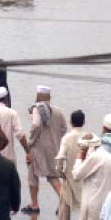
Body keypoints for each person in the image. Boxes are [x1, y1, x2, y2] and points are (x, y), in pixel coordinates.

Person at [23, 85, 67, 213]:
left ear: (37, 96)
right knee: (52, 176)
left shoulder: (37, 109)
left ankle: (34, 204)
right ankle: (64, 201)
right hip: (55, 148)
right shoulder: (58, 110)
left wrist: (30, 141)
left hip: (38, 149)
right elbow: (64, 128)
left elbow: (36, 125)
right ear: (49, 97)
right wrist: (56, 140)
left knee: (32, 175)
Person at [72, 132, 111, 220]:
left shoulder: (95, 157)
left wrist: (79, 158)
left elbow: (76, 175)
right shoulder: (110, 157)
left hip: (93, 205)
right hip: (108, 204)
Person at [55, 109, 86, 220]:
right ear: (84, 122)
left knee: (64, 213)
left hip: (69, 178)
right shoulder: (88, 138)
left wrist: (60, 173)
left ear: (70, 122)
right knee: (85, 211)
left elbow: (60, 157)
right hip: (84, 178)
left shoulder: (67, 138)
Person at [0, 87, 28, 163]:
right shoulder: (12, 112)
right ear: (6, 98)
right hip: (8, 157)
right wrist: (28, 152)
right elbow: (20, 134)